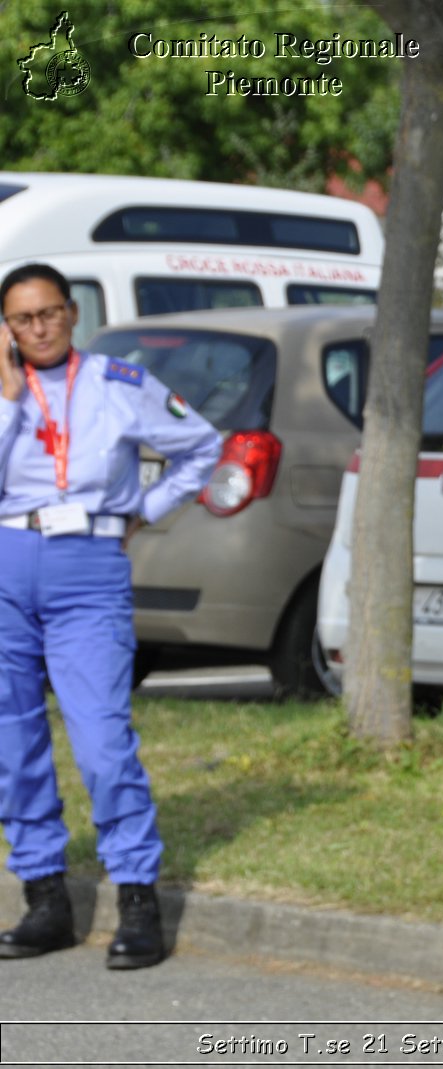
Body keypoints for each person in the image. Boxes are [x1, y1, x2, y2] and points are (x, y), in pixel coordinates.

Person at [0, 262, 221, 969]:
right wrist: (8, 401)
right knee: (13, 742)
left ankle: (137, 899)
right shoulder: (1, 390)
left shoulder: (119, 384)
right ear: (6, 328)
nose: (39, 329)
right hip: (6, 560)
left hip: (87, 568)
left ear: (72, 313)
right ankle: (45, 900)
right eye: (22, 319)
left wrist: (144, 510)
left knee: (100, 739)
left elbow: (203, 445)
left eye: (50, 313)